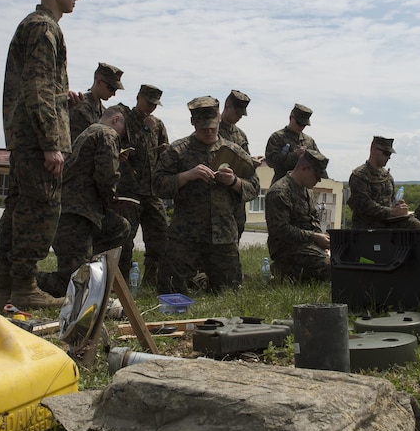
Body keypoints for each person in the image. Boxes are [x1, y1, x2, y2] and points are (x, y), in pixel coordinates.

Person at [0, 0, 87, 312]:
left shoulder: (32, 26)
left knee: (18, 208)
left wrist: (63, 95)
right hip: (36, 139)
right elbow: (37, 85)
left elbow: (39, 86)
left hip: (24, 136)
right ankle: (25, 287)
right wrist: (51, 142)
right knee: (40, 209)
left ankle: (5, 288)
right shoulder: (45, 28)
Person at [153, 96, 259, 294]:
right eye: (204, 129)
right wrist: (186, 176)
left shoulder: (234, 151)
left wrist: (234, 182)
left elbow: (254, 188)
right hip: (185, 234)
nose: (209, 132)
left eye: (213, 127)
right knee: (169, 289)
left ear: (219, 120)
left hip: (223, 235)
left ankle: (202, 283)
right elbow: (158, 185)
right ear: (193, 123)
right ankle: (197, 283)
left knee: (229, 293)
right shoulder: (178, 150)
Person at [36, 107, 131, 297]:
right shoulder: (107, 133)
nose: (121, 136)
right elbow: (107, 175)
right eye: (123, 130)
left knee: (120, 227)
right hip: (76, 216)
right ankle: (18, 280)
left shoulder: (89, 133)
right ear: (116, 120)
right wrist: (111, 197)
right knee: (73, 286)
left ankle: (97, 272)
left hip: (83, 212)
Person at [115, 85, 169, 287]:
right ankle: (121, 281)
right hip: (128, 189)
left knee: (160, 234)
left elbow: (165, 155)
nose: (151, 108)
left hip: (152, 190)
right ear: (138, 98)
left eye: (155, 105)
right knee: (125, 238)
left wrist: (164, 149)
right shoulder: (124, 119)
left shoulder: (158, 125)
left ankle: (151, 278)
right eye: (148, 103)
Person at [265, 149, 331, 282]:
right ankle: (283, 270)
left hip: (308, 244)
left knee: (342, 260)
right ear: (303, 168)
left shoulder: (307, 190)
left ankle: (291, 272)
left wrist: (323, 245)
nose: (318, 180)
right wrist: (314, 237)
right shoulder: (279, 192)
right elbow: (280, 230)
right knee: (330, 267)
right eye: (316, 176)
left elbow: (314, 219)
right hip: (286, 247)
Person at [348, 136, 420, 229]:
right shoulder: (359, 176)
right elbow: (365, 206)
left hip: (388, 222)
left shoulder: (387, 176)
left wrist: (398, 205)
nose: (388, 157)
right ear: (374, 150)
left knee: (416, 222)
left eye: (390, 154)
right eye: (386, 153)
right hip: (367, 226)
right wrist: (392, 212)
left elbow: (391, 200)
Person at [218, 90, 263, 240]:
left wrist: (252, 162)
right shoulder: (211, 129)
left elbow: (244, 161)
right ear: (227, 106)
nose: (238, 118)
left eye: (241, 115)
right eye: (237, 113)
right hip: (216, 196)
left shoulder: (240, 135)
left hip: (236, 196)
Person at [265, 103, 321, 184]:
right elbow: (271, 162)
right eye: (299, 123)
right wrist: (295, 155)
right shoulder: (277, 137)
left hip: (303, 187)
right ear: (291, 117)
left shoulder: (309, 141)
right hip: (282, 185)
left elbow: (318, 163)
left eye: (304, 124)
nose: (301, 127)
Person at [68, 62, 124, 142]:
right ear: (98, 82)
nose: (113, 94)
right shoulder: (78, 105)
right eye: (111, 88)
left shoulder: (104, 112)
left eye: (115, 90)